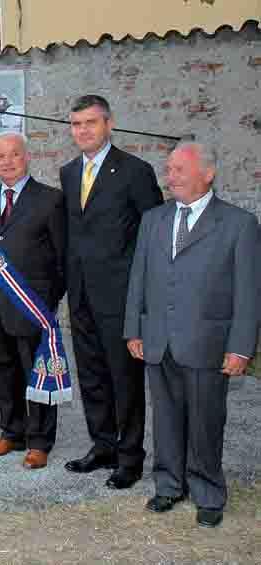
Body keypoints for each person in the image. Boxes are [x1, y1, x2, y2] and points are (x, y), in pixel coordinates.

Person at [124, 142, 259, 528]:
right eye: (169, 170)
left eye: (180, 170)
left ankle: (207, 492)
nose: (171, 177)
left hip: (208, 344)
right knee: (165, 418)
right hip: (158, 339)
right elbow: (139, 278)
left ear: (208, 173)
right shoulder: (154, 219)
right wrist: (135, 328)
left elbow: (249, 293)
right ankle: (168, 486)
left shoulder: (238, 224)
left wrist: (240, 348)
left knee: (205, 421)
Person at [60, 95, 163, 489]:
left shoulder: (135, 171)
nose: (83, 131)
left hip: (121, 298)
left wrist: (144, 299)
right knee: (92, 376)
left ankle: (130, 457)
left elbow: (151, 237)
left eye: (90, 122)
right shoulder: (69, 173)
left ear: (109, 124)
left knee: (125, 379)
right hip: (82, 295)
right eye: (76, 124)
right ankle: (102, 445)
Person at [0, 132, 67, 470]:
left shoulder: (49, 200)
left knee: (37, 374)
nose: (7, 162)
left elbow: (62, 259)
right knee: (3, 373)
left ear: (26, 157)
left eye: (14, 155)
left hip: (32, 307)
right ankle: (11, 432)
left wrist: (46, 301)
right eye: (0, 157)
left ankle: (40, 441)